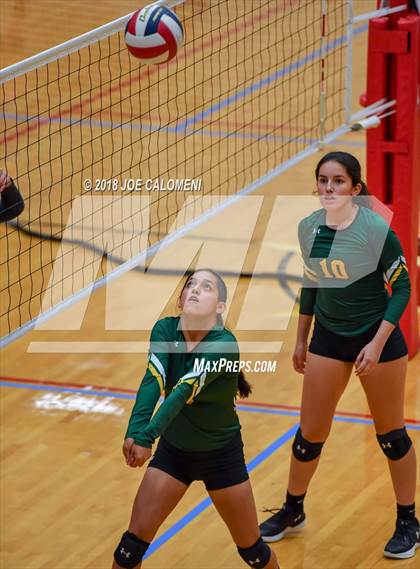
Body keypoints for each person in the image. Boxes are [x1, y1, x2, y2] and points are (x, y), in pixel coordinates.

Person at [259, 151, 419, 559]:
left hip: (375, 338)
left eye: (338, 181)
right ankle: (293, 509)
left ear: (355, 188)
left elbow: (402, 289)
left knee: (391, 435)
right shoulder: (308, 227)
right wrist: (301, 338)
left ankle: (409, 521)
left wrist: (378, 342)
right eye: (323, 181)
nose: (329, 188)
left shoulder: (375, 230)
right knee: (309, 434)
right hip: (329, 337)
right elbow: (311, 281)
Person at [112, 269, 280, 569]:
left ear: (219, 308)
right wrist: (135, 431)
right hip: (174, 455)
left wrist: (147, 437)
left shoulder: (223, 345)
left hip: (221, 458)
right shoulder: (165, 330)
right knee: (129, 551)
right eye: (190, 284)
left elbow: (181, 392)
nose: (195, 290)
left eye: (206, 287)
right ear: (180, 299)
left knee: (253, 552)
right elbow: (153, 380)